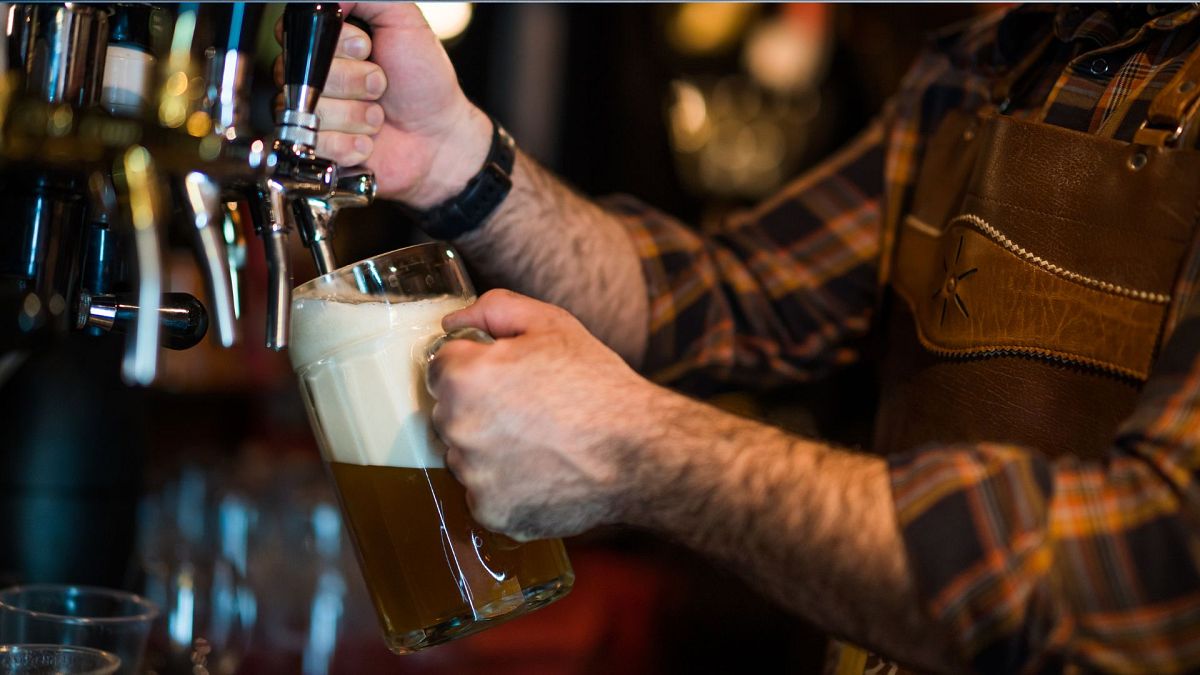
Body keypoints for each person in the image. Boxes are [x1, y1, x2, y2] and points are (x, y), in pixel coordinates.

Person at [295, 4, 1200, 672]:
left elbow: (1149, 569)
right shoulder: (997, 59)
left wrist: (644, 452)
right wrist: (451, 153)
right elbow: (724, 298)